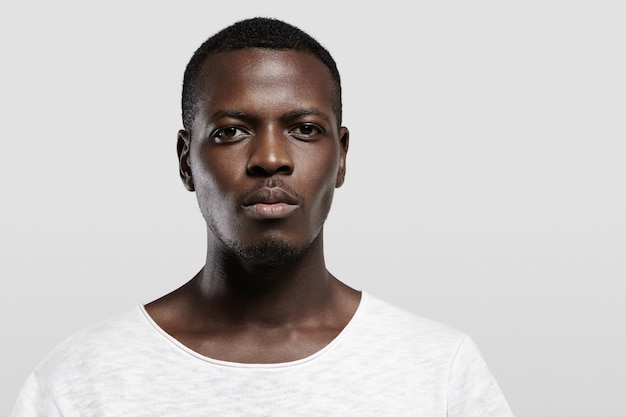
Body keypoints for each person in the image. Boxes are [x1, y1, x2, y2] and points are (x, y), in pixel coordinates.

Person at [12, 17, 514, 416]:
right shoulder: (83, 381)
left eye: (305, 128)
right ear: (186, 161)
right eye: (231, 131)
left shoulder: (439, 373)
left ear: (341, 157)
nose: (270, 157)